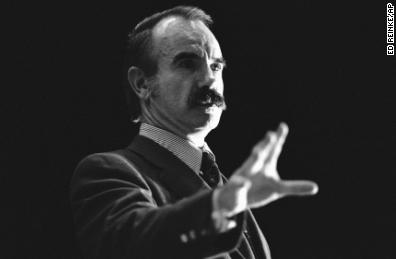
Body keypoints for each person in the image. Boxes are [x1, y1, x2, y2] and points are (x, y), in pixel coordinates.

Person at [69, 6, 318, 259]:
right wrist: (219, 206)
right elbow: (134, 244)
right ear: (142, 84)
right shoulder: (107, 170)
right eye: (188, 64)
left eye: (216, 66)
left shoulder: (223, 184)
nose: (209, 79)